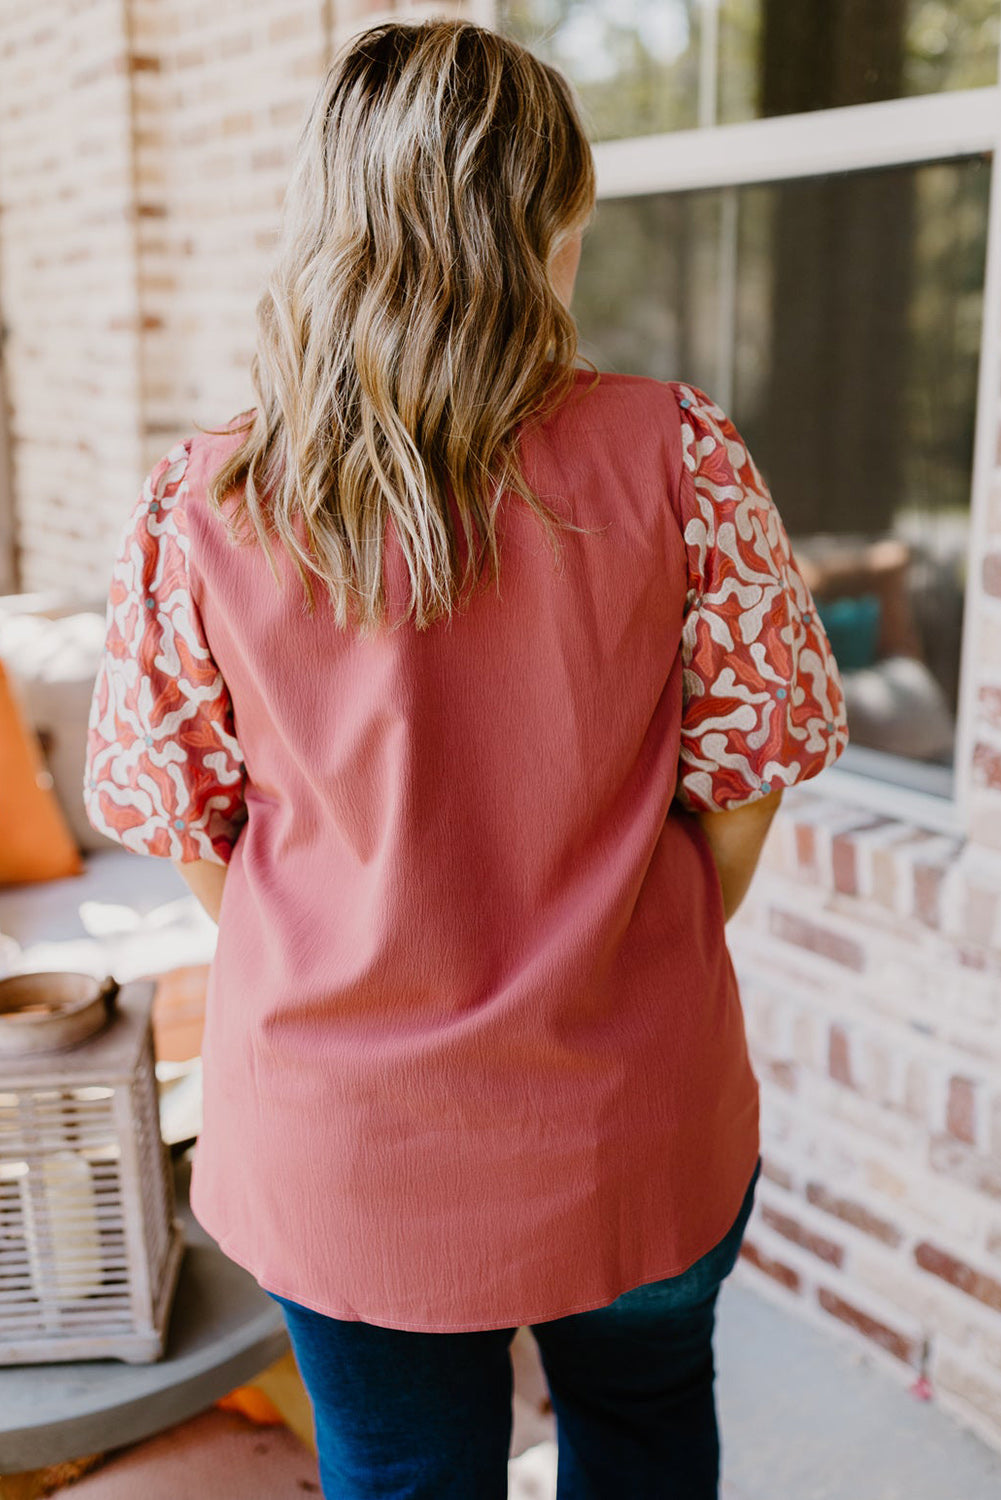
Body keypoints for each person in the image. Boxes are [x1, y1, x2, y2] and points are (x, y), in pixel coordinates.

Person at [83, 17, 848, 1500]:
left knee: (402, 1471)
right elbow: (747, 780)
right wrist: (617, 945)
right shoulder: (679, 454)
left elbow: (186, 821)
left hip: (342, 1138)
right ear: (548, 223)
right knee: (639, 1436)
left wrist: (344, 964)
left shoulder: (204, 499)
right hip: (633, 1102)